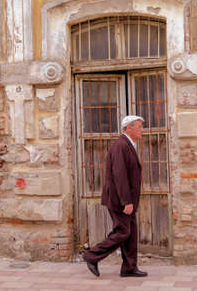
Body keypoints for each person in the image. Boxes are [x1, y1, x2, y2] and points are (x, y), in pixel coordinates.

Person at [82, 115, 148, 278]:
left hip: (127, 199)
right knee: (123, 232)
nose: (141, 130)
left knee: (131, 233)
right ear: (129, 128)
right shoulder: (120, 145)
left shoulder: (128, 144)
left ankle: (129, 268)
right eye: (139, 126)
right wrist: (126, 201)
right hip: (119, 200)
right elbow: (120, 176)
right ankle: (92, 256)